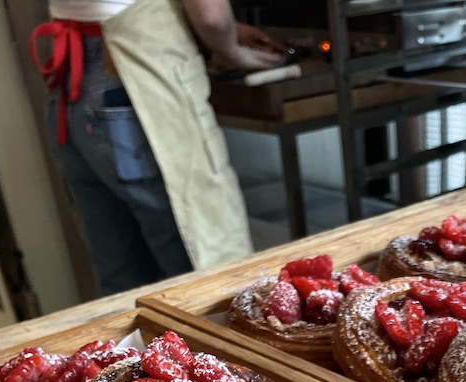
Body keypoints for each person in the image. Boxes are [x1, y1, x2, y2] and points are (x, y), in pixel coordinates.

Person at [30, 0, 282, 295]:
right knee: (205, 273)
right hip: (137, 87)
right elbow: (210, 15)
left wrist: (227, 29)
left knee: (124, 281)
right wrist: (229, 49)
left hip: (76, 90)